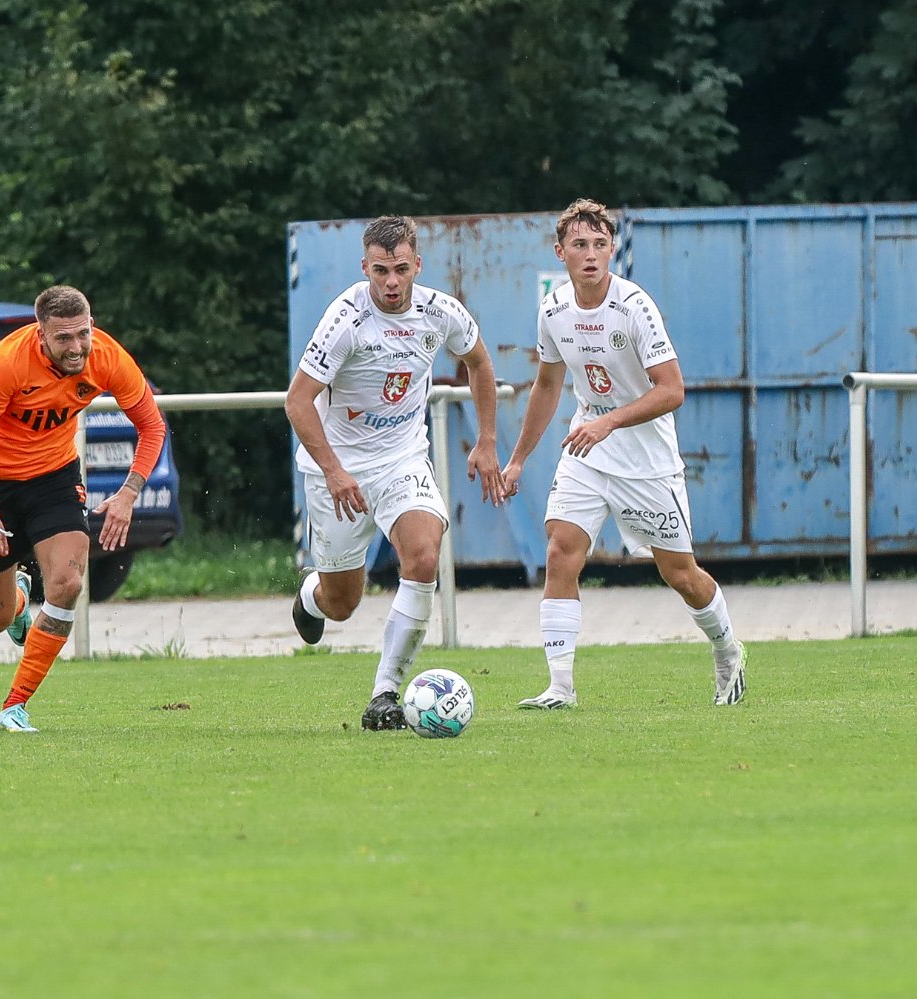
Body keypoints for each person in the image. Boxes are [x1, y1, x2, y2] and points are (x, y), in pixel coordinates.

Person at [500, 198, 746, 709]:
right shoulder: (553, 310)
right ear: (561, 252)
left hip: (645, 460)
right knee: (560, 551)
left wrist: (608, 421)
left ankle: (727, 649)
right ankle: (560, 686)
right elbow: (547, 385)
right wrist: (519, 458)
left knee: (680, 574)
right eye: (579, 244)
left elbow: (672, 390)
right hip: (587, 450)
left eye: (599, 244)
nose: (590, 254)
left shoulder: (634, 306)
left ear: (612, 249)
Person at [286, 215, 504, 730]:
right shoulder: (345, 320)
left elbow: (479, 362)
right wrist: (334, 471)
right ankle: (312, 596)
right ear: (365, 267)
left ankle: (385, 693)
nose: (391, 281)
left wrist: (488, 441)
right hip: (338, 473)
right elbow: (298, 401)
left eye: (401, 269)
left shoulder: (440, 312)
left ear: (417, 265)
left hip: (403, 460)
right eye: (380, 270)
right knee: (343, 603)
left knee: (424, 557)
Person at [0, 284, 166, 733]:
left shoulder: (108, 356)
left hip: (54, 478)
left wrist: (128, 493)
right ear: (41, 334)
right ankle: (18, 600)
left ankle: (15, 706)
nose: (76, 347)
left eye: (83, 333)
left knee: (68, 584)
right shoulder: (9, 362)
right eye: (63, 338)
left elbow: (151, 425)